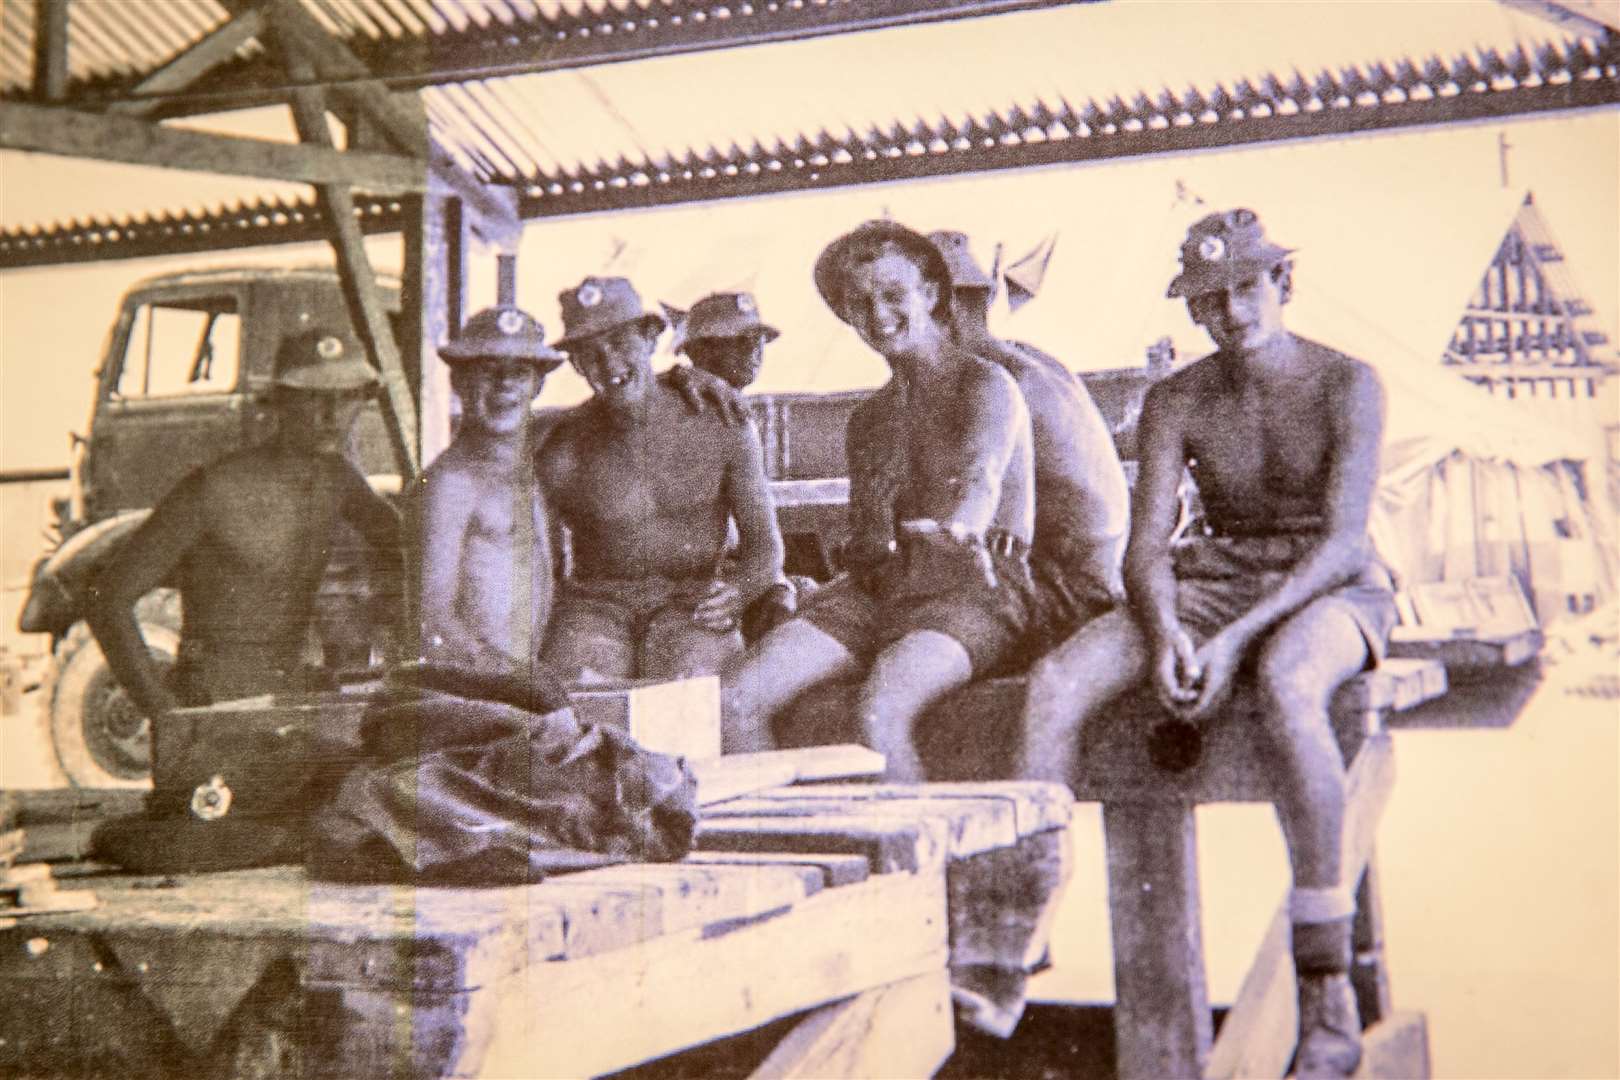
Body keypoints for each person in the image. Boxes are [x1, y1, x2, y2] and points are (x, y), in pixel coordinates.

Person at [1015, 209, 1396, 1078]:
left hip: (1329, 583)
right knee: (1056, 682)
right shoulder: (1175, 399)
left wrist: (1232, 643)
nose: (1230, 312)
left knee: (1294, 686)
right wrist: (1166, 636)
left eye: (1245, 289)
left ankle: (1327, 988)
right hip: (1213, 577)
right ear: (1192, 312)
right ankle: (1020, 917)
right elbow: (1143, 550)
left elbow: (1342, 542)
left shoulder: (1349, 383)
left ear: (1282, 284)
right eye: (1208, 299)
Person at [722, 220, 1037, 782]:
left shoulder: (985, 384)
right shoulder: (868, 420)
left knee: (881, 711)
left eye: (894, 295)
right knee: (732, 701)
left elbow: (981, 477)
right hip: (886, 592)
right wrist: (818, 588)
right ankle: (805, 845)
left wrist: (960, 530)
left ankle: (916, 868)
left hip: (974, 589)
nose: (879, 315)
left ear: (932, 294)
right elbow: (868, 551)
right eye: (859, 303)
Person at [87, 330, 403, 716]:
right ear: (280, 402)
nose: (331, 416)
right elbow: (106, 599)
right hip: (212, 702)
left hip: (290, 696)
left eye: (346, 397)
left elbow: (407, 547)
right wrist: (163, 713)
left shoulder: (337, 480)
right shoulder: (213, 488)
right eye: (313, 398)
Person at [537, 276, 785, 683]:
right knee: (585, 689)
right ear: (576, 364)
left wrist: (739, 592)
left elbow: (765, 549)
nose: (609, 363)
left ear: (651, 338)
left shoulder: (724, 423)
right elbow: (543, 575)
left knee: (693, 690)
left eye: (620, 341)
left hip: (692, 602)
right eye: (589, 353)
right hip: (597, 607)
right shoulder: (563, 448)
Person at [928, 229, 1130, 656]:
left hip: (1066, 591)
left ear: (939, 309)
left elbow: (965, 516)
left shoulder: (988, 383)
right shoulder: (1032, 358)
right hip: (1103, 574)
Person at [415, 305, 561, 681]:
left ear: (538, 386)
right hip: (473, 690)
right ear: (459, 382)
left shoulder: (526, 467)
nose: (505, 385)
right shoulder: (451, 484)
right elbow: (432, 622)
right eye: (487, 372)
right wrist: (521, 682)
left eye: (520, 372)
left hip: (514, 682)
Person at [677, 290, 780, 391]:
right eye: (741, 340)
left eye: (758, 340)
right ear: (699, 350)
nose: (753, 349)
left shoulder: (734, 406)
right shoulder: (675, 402)